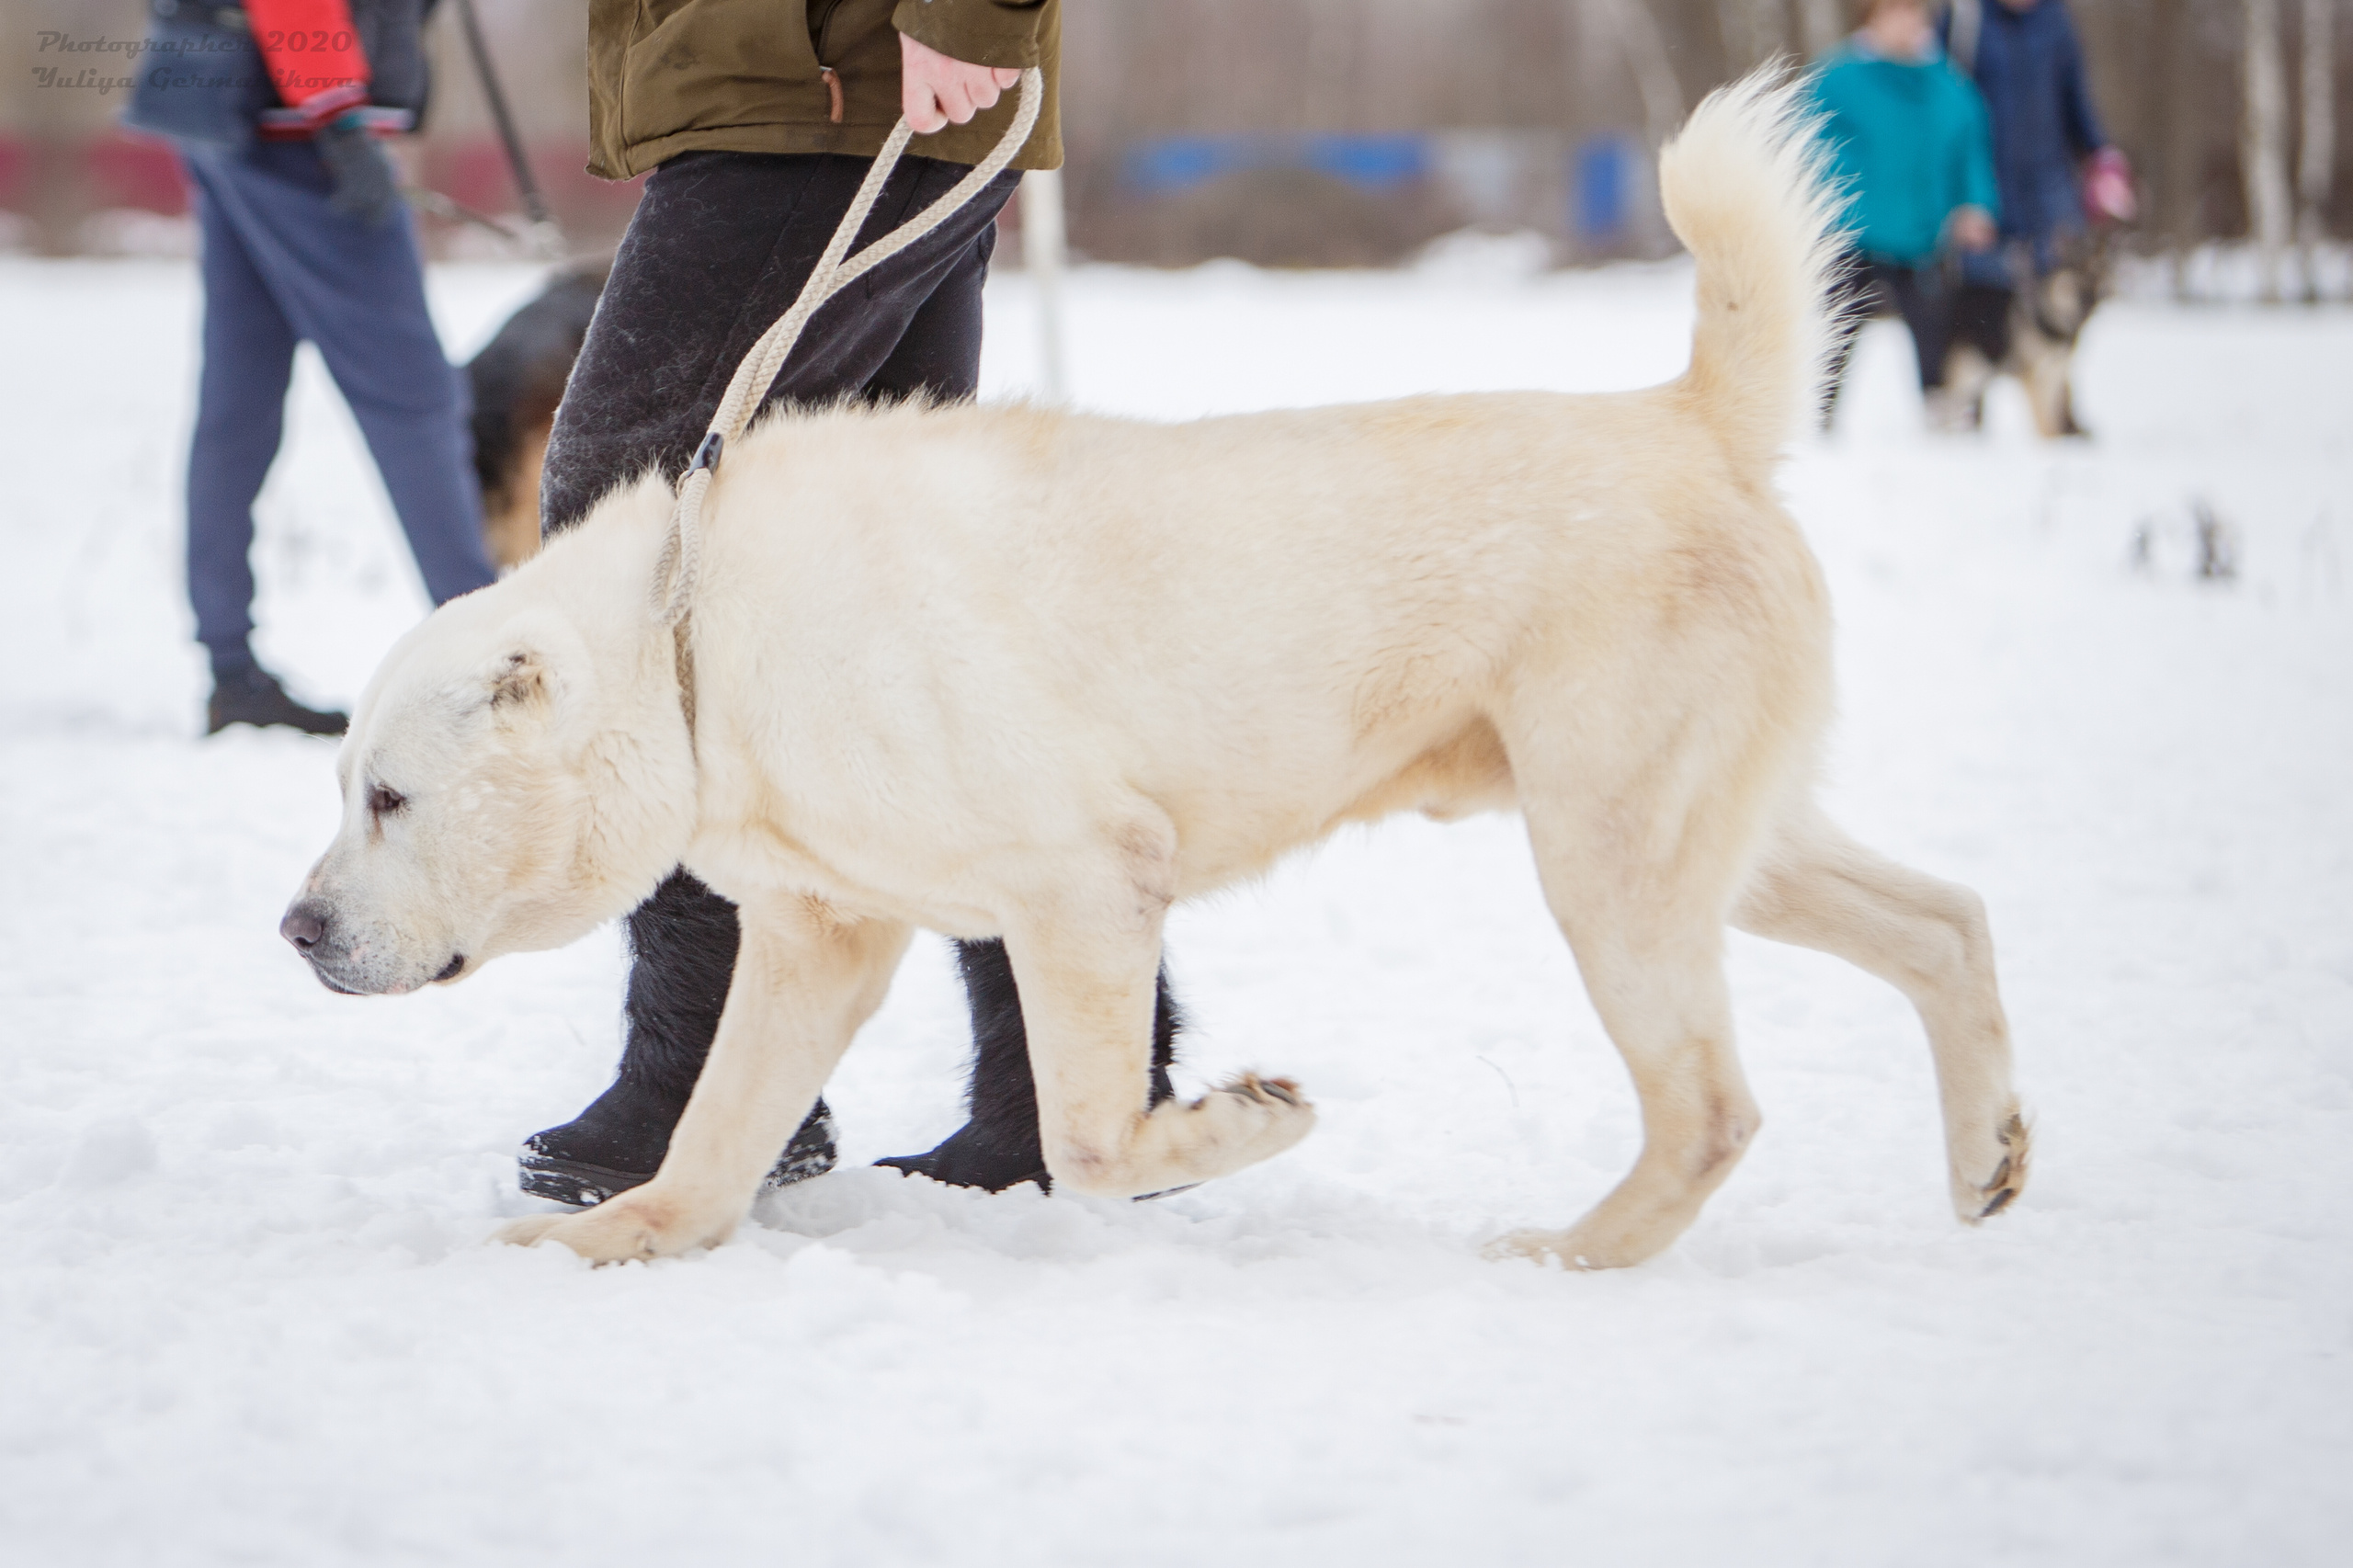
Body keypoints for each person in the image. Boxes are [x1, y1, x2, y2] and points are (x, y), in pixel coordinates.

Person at [517, 0, 1189, 1208]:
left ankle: (704, 1079)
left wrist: (966, 13)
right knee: (901, 587)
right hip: (817, 80)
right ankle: (1066, 1074)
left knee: (638, 524)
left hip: (833, 84)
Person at [127, 0, 499, 735]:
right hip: (302, 130)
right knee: (414, 396)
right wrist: (338, 117)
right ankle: (490, 667)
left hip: (236, 109)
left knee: (241, 397)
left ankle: (230, 666)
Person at [1807, 0, 2002, 427]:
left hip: (1922, 234)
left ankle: (1943, 415)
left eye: (1915, 12)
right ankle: (1813, 418)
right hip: (1852, 233)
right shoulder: (1838, 77)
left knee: (1935, 332)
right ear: (1873, 17)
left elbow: (1970, 152)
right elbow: (1806, 143)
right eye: (1896, 12)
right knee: (1832, 331)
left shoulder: (1947, 84)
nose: (1907, 23)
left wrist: (1975, 206)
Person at [1938, 0, 2128, 434]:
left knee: (2058, 302)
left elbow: (2075, 98)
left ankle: (2057, 403)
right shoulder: (1965, 18)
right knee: (1984, 294)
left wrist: (2101, 158)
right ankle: (1970, 400)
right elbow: (1944, 99)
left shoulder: (2055, 21)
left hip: (2048, 184)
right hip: (1985, 180)